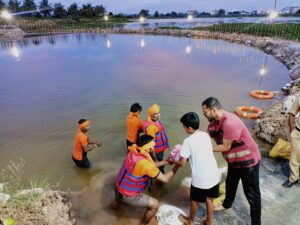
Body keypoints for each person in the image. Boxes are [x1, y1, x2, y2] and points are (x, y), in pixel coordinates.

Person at [202, 97, 261, 225]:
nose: (204, 115)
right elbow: (206, 137)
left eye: (205, 112)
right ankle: (227, 204)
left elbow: (225, 147)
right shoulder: (212, 124)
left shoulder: (230, 122)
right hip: (234, 161)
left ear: (213, 110)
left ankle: (256, 222)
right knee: (230, 183)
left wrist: (206, 150)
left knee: (251, 194)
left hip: (248, 161)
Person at [113, 134, 180, 225]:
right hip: (127, 194)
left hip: (118, 185)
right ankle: (143, 223)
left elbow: (148, 165)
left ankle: (114, 212)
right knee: (155, 205)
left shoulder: (133, 151)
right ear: (149, 149)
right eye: (153, 146)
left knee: (117, 202)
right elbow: (165, 179)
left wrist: (165, 162)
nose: (154, 147)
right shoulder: (145, 164)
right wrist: (177, 166)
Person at [170, 112, 220, 225]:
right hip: (213, 174)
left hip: (201, 179)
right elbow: (200, 152)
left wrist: (172, 161)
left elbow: (182, 163)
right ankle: (209, 221)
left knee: (195, 200)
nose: (183, 128)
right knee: (209, 199)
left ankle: (190, 220)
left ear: (189, 128)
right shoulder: (205, 135)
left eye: (184, 126)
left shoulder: (187, 141)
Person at [144, 103, 169, 172]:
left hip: (160, 150)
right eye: (155, 113)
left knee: (159, 164)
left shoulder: (156, 121)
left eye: (158, 112)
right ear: (151, 115)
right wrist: (155, 160)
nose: (158, 115)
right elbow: (151, 146)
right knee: (159, 166)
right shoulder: (151, 127)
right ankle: (161, 179)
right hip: (156, 152)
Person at [283, 95, 300, 188]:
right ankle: (293, 178)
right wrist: (292, 131)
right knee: (294, 158)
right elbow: (292, 114)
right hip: (298, 133)